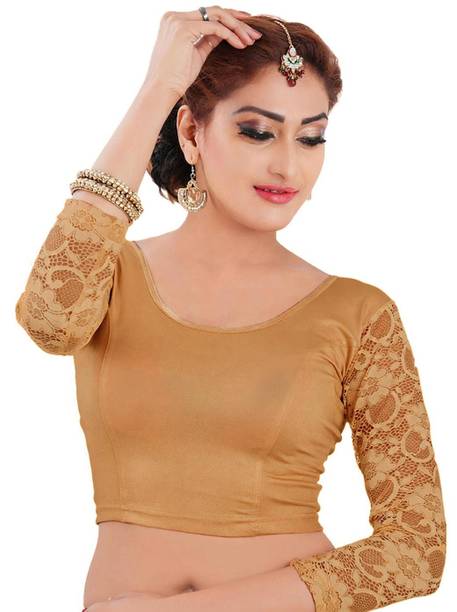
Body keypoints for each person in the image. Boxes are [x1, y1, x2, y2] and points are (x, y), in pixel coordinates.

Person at [15, 7, 447, 611]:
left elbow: (415, 551)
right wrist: (159, 87)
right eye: (257, 131)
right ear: (192, 133)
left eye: (311, 137)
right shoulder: (107, 277)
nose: (288, 165)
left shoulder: (360, 315)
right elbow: (49, 322)